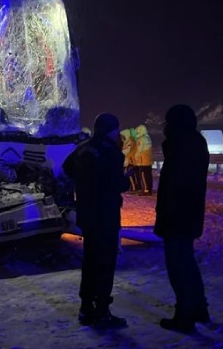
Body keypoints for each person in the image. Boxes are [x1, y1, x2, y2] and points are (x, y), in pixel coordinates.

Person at [62, 112, 130, 329]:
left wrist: (84, 182)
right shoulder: (112, 152)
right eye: (116, 129)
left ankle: (86, 308)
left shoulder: (83, 149)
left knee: (90, 260)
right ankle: (102, 310)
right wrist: (126, 181)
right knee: (105, 263)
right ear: (111, 129)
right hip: (106, 215)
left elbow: (67, 168)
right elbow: (116, 185)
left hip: (87, 213)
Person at [154, 104, 210, 334]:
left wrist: (167, 212)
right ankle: (198, 308)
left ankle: (184, 315)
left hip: (177, 215)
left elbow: (176, 184)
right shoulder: (195, 141)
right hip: (189, 214)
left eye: (168, 122)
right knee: (187, 262)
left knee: (178, 266)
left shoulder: (180, 145)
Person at [134, 124, 154, 195]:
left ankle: (146, 190)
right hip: (148, 160)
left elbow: (139, 150)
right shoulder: (147, 137)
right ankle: (149, 189)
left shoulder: (141, 139)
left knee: (143, 175)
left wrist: (136, 157)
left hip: (143, 161)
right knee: (148, 175)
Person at [121, 127, 141, 192]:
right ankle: (135, 187)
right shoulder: (132, 141)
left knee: (131, 175)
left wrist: (121, 150)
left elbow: (127, 152)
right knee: (134, 175)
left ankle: (134, 188)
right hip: (132, 161)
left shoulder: (130, 142)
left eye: (123, 137)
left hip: (131, 161)